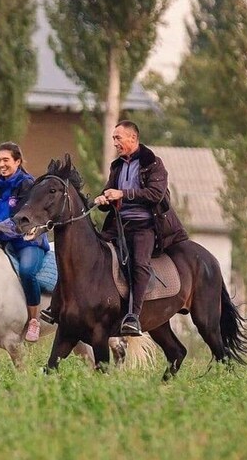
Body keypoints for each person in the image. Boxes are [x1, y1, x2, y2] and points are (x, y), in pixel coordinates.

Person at [40, 121, 188, 336]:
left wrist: (123, 194)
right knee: (86, 256)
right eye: (114, 138)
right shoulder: (117, 166)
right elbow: (111, 191)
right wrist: (105, 197)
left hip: (145, 227)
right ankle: (57, 306)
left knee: (139, 264)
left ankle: (133, 316)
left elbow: (155, 194)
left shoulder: (153, 163)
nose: (115, 142)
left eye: (118, 138)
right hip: (119, 226)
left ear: (133, 138)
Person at [0, 142, 50, 342]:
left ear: (18, 161)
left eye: (6, 160)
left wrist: (1, 226)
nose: (1, 164)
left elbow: (24, 217)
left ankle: (33, 321)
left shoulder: (29, 185)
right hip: (2, 243)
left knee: (27, 271)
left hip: (28, 242)